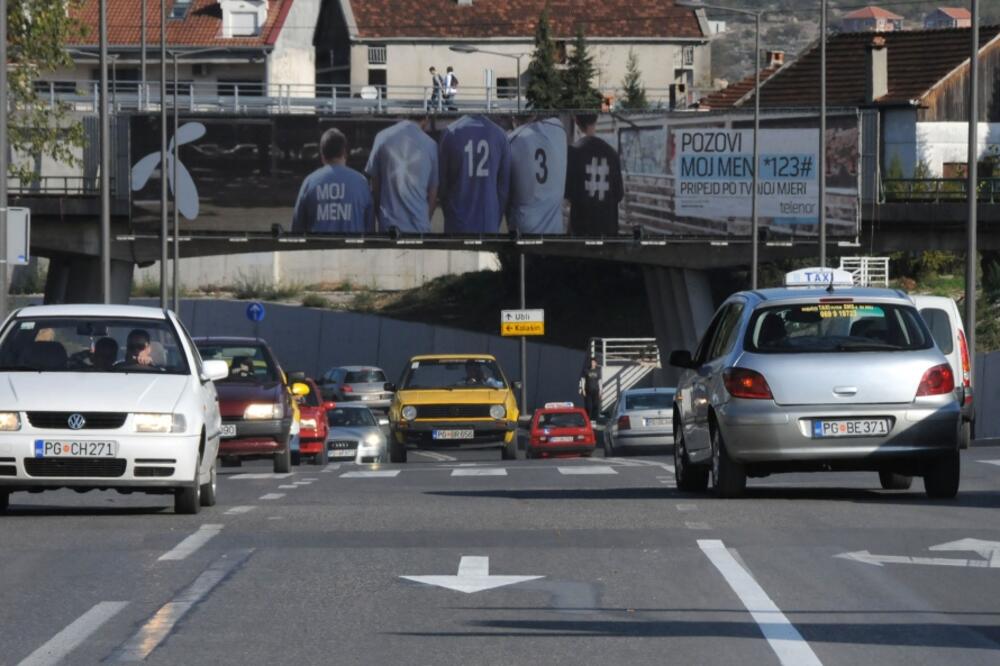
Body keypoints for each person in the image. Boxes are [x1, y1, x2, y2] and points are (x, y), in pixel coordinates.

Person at [291, 128, 374, 233]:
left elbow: (297, 229)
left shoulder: (309, 182)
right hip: (353, 249)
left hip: (318, 248)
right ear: (344, 152)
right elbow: (370, 230)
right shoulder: (361, 183)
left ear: (322, 155)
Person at [365, 116, 439, 234]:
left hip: (389, 227)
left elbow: (375, 187)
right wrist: (425, 221)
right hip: (419, 226)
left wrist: (381, 218)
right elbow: (433, 193)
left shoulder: (382, 137)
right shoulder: (431, 145)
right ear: (426, 119)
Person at [438, 114, 511, 233]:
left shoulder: (449, 132)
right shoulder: (500, 135)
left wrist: (450, 214)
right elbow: (503, 189)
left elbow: (442, 184)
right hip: (488, 220)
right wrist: (494, 219)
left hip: (457, 221)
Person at [507, 116, 568, 234]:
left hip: (526, 228)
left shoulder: (512, 141)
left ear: (514, 119)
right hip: (555, 229)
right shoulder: (558, 130)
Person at [565, 113, 624, 236]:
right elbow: (619, 195)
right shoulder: (612, 153)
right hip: (608, 233)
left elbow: (568, 194)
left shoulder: (572, 153)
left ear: (575, 120)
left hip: (581, 232)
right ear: (596, 119)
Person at [579, 357, 602, 421]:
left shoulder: (598, 370)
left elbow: (600, 381)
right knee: (588, 406)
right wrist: (582, 389)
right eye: (591, 362)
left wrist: (600, 390)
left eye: (594, 362)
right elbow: (583, 380)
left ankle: (594, 419)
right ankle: (587, 419)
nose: (592, 363)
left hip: (596, 390)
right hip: (588, 390)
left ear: (596, 363)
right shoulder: (586, 370)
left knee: (595, 405)